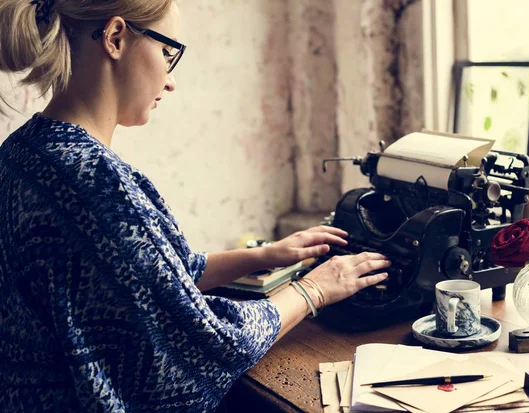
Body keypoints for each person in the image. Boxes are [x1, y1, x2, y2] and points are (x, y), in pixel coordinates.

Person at [0, 0, 391, 411]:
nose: (170, 82)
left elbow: (144, 281)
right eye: (168, 54)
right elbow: (207, 344)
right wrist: (314, 288)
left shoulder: (24, 152)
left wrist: (264, 255)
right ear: (116, 38)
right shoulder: (96, 182)